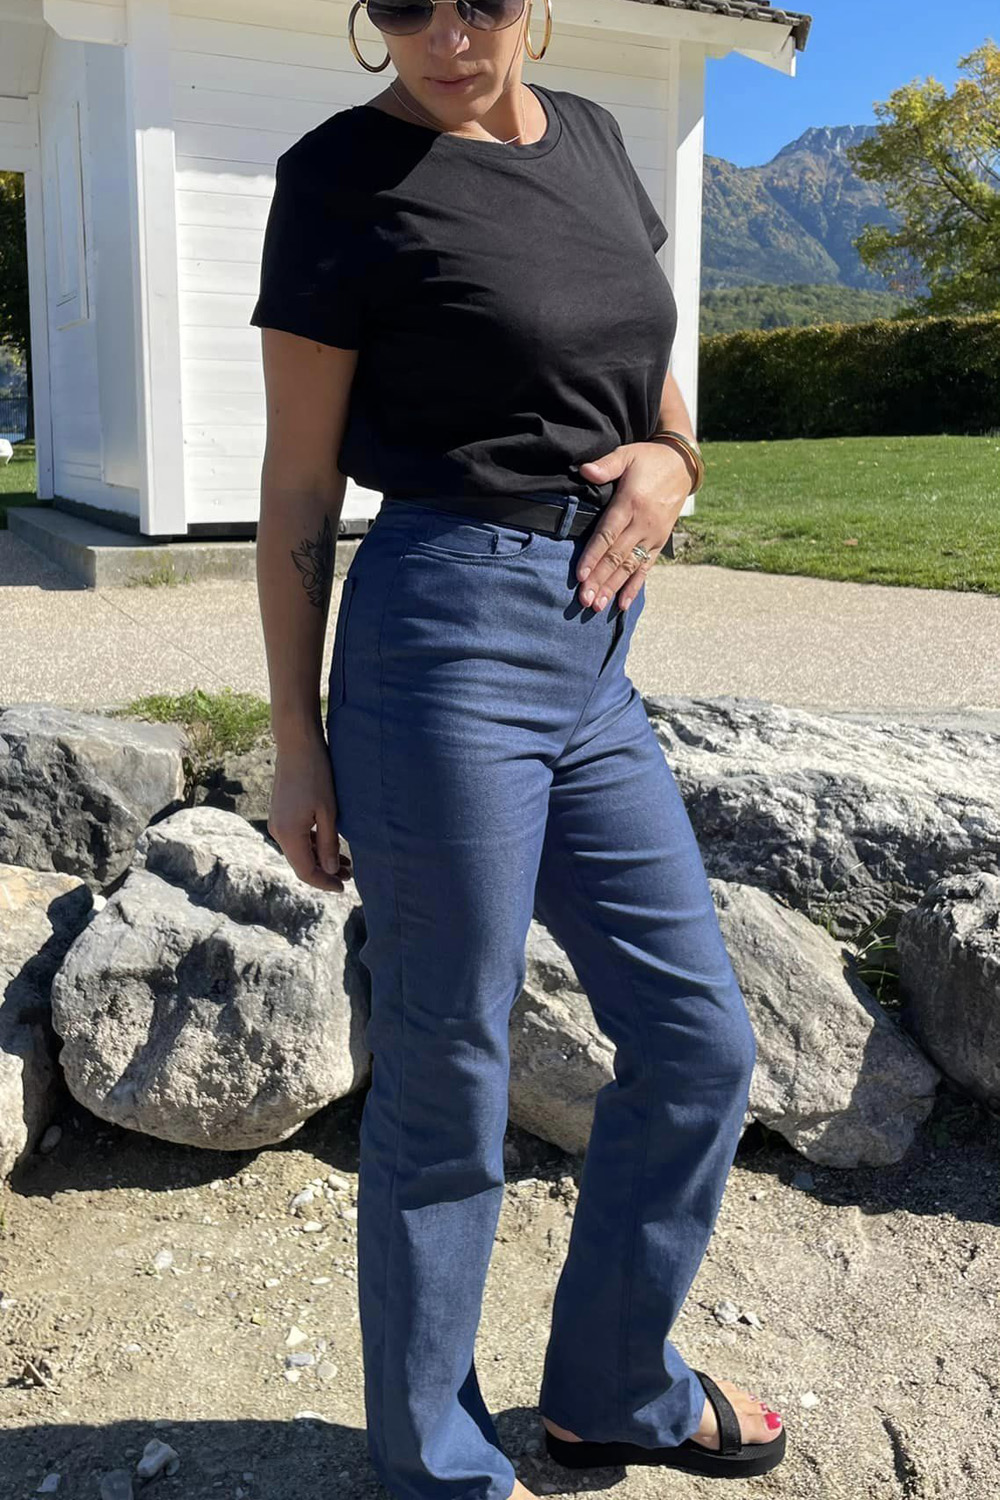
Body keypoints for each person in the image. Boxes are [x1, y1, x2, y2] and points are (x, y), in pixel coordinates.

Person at [250, 0, 787, 1495]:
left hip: (594, 652)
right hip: (439, 636)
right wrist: (296, 739)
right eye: (401, 4)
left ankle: (612, 1391)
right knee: (448, 1069)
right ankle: (438, 1466)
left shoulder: (598, 142)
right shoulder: (340, 176)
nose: (441, 34)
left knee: (700, 1043)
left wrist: (674, 464)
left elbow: (647, 388)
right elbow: (297, 484)